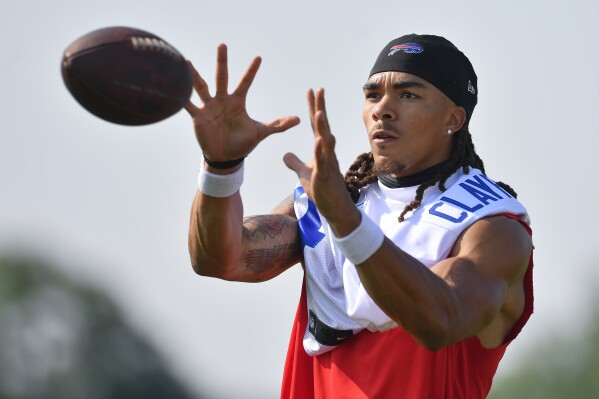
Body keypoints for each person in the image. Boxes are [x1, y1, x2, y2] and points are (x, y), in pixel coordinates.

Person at [184, 34, 534, 399]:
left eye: (408, 94)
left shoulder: (492, 225)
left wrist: (348, 225)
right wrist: (221, 169)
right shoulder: (337, 198)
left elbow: (441, 320)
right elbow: (220, 259)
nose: (382, 108)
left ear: (453, 118)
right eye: (372, 95)